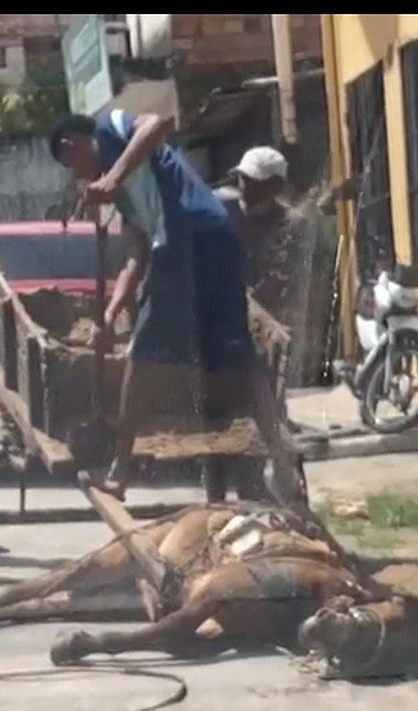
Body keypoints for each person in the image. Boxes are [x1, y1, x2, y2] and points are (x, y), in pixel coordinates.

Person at [48, 111, 304, 503]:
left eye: (73, 166)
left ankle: (120, 471)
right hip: (213, 239)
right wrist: (109, 313)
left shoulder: (110, 126)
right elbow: (136, 257)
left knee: (142, 352)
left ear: (72, 144)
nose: (80, 176)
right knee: (242, 359)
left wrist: (113, 176)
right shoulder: (122, 198)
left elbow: (157, 123)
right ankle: (284, 468)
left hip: (186, 239)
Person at [215, 146, 309, 331]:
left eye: (254, 181)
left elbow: (284, 282)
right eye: (243, 178)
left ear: (276, 185)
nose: (245, 186)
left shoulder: (290, 226)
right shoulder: (219, 210)